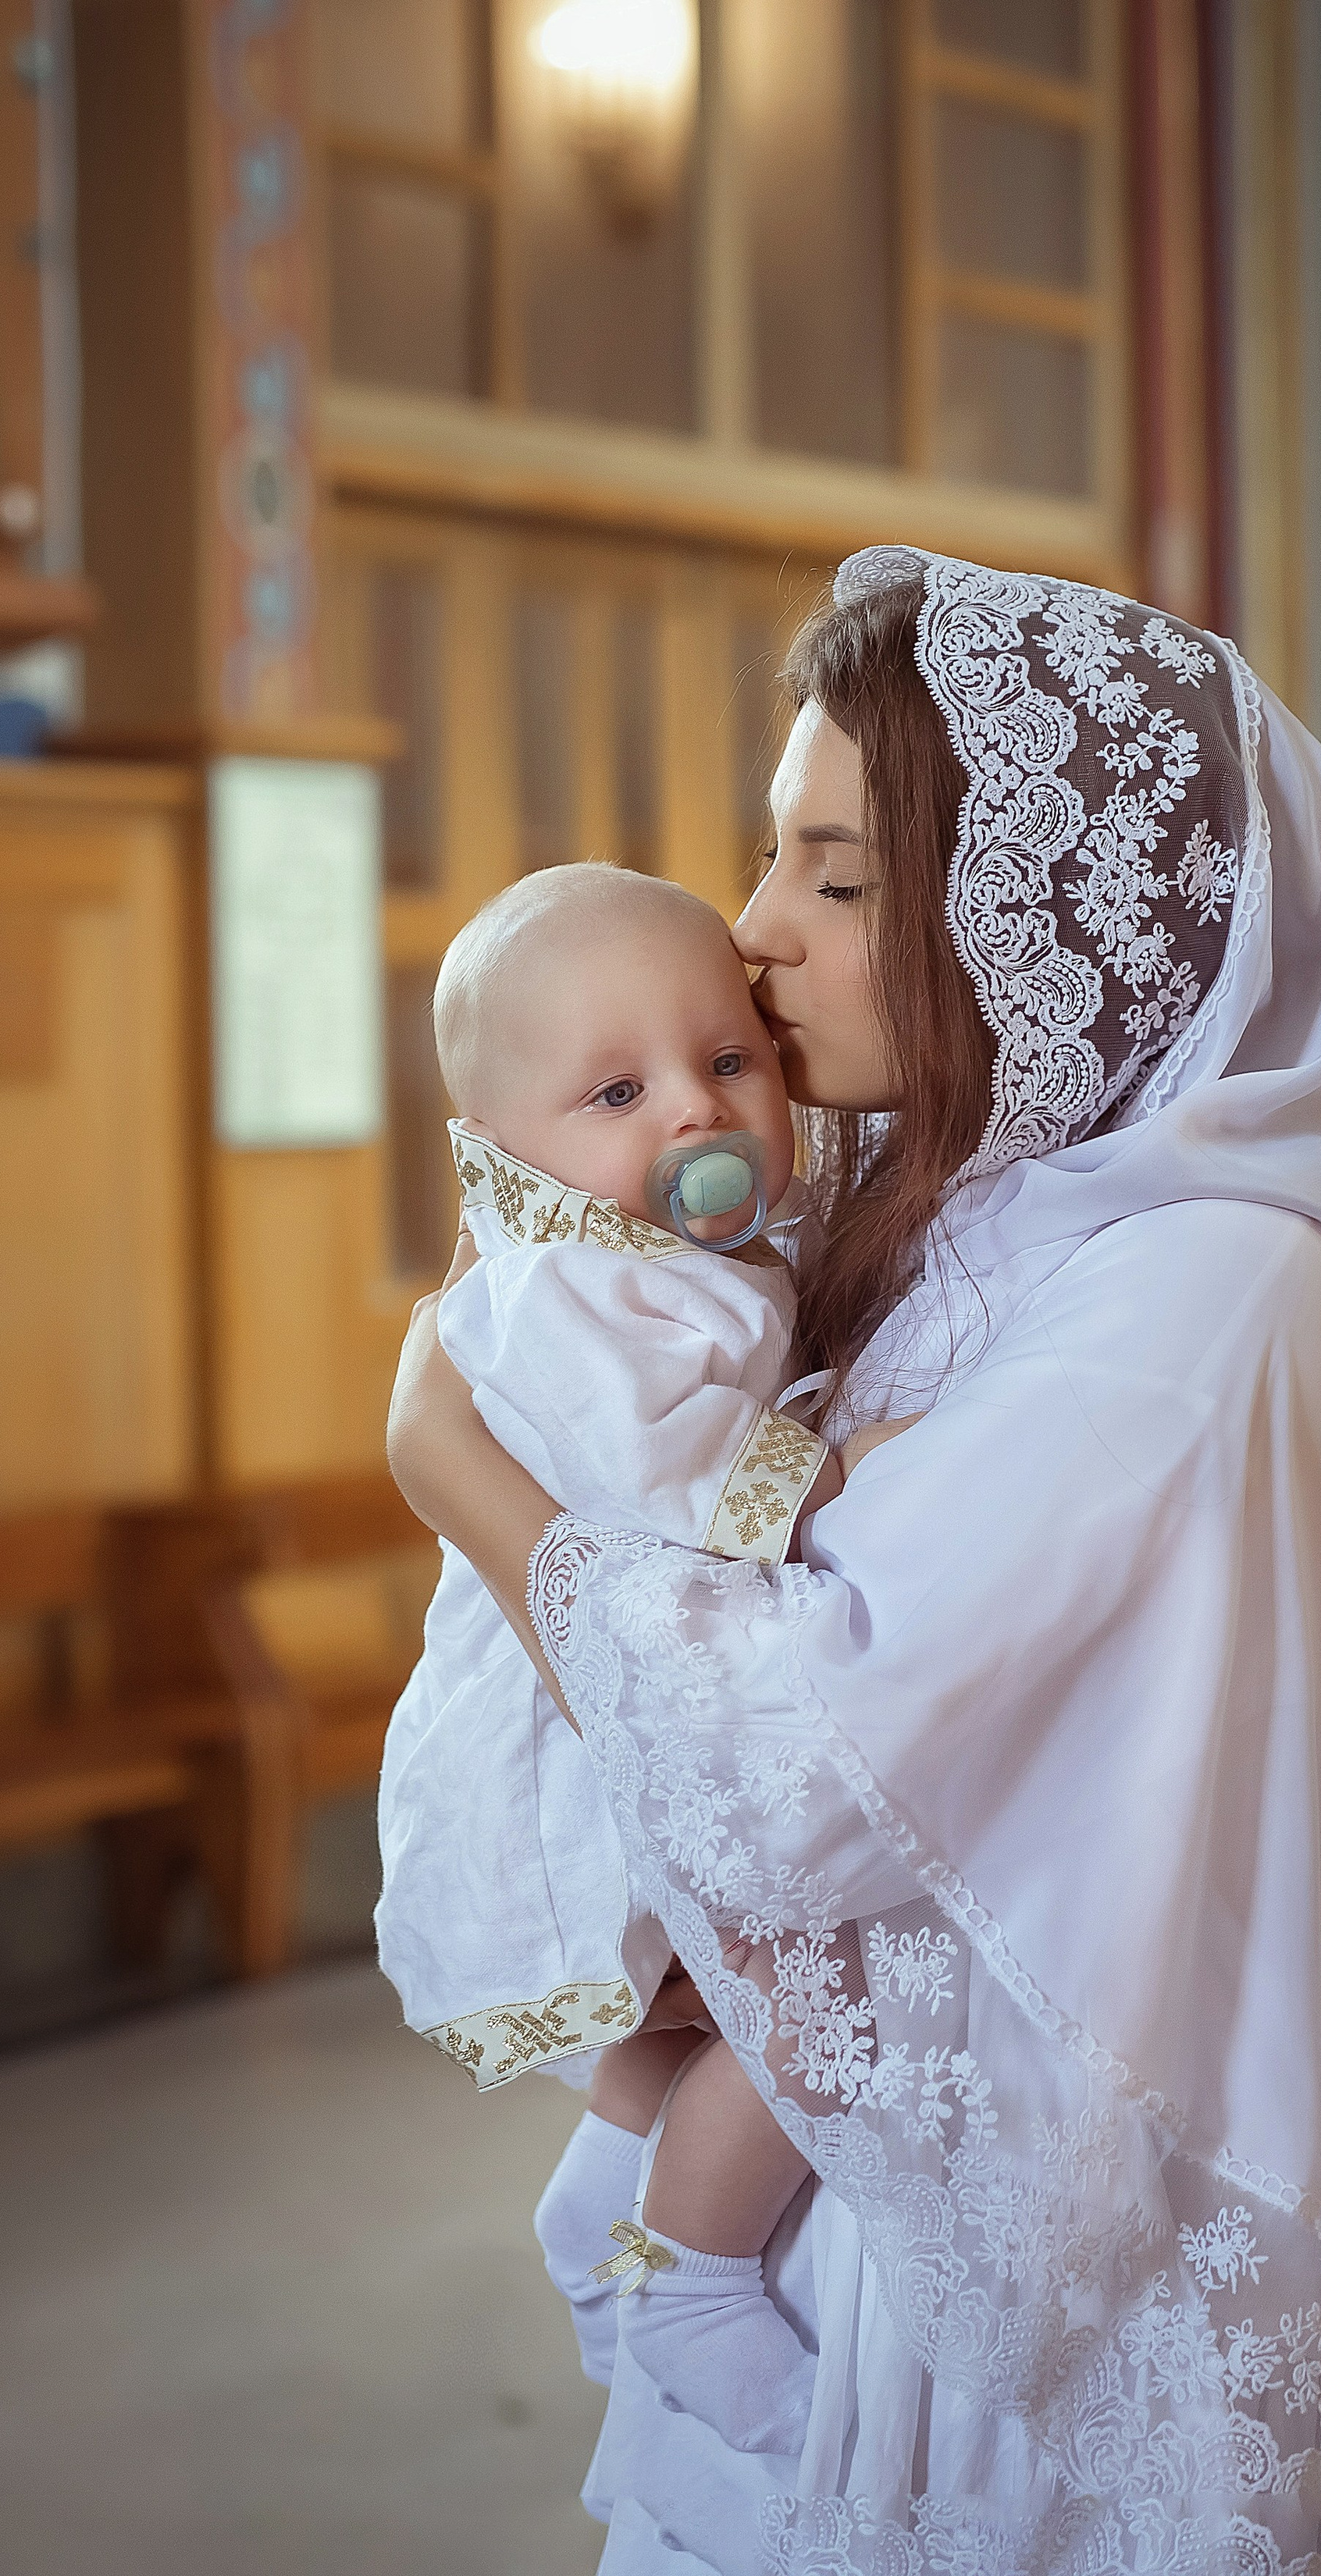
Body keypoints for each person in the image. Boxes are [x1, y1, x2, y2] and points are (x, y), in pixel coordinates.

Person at [388, 550, 1321, 2573]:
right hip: (861, 2190)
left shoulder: (1211, 1288)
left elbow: (801, 1761)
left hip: (1032, 2273)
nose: (756, 937)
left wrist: (452, 1459)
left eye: (839, 876)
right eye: (772, 856)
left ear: (1035, 914)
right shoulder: (964, 1202)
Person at [374, 863, 859, 2455]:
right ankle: (698, 2274)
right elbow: (667, 1487)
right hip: (573, 1718)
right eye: (616, 1089)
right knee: (791, 1987)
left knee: (690, 2007)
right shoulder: (565, 1297)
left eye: (728, 1061)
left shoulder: (664, 1263)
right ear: (502, 1145)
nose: (692, 1117)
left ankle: (601, 2206)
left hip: (620, 1684)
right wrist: (848, 1463)